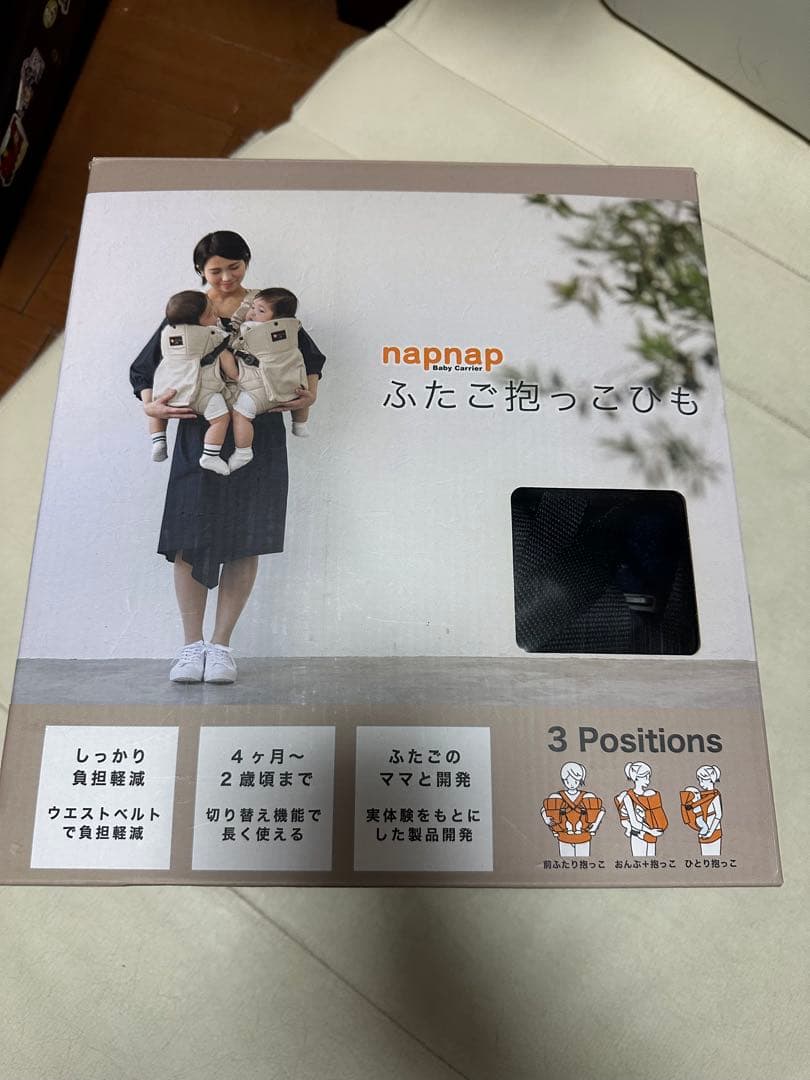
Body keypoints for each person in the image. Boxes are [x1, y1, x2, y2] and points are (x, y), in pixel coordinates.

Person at [130, 230, 325, 684]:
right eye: (215, 270)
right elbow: (144, 367)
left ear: (246, 263)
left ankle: (220, 647)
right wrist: (152, 406)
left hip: (260, 435)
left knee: (246, 537)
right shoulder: (189, 310)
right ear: (201, 270)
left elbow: (311, 358)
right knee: (187, 535)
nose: (225, 277)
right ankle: (190, 646)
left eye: (234, 267)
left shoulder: (268, 306)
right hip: (198, 434)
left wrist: (308, 396)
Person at [149, 290, 238, 475]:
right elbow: (228, 363)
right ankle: (210, 455)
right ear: (198, 321)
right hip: (201, 394)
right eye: (211, 314)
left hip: (170, 391)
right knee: (220, 419)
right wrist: (237, 376)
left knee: (156, 408)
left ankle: (158, 440)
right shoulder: (212, 335)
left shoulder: (166, 334)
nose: (216, 317)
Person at [228, 287, 311, 472]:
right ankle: (300, 424)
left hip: (261, 390)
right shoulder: (293, 328)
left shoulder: (251, 328)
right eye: (252, 307)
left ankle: (243, 452)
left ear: (278, 318)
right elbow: (311, 358)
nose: (252, 313)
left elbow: (234, 345)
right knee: (300, 392)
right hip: (291, 382)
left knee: (241, 414)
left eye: (260, 311)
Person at [541, 761, 604, 857]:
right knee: (566, 862)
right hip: (564, 836)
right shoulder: (557, 797)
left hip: (583, 836)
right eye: (568, 781)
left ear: (579, 780)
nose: (571, 784)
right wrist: (546, 819)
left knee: (583, 861)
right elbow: (544, 809)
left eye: (575, 781)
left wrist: (595, 825)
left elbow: (601, 810)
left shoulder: (587, 797)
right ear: (564, 780)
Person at [615, 761, 668, 857]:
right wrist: (650, 831)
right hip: (638, 836)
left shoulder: (650, 795)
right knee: (639, 861)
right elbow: (634, 822)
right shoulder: (628, 797)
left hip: (651, 836)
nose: (648, 780)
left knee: (651, 861)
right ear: (636, 778)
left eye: (648, 777)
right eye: (645, 777)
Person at [680, 765, 722, 855]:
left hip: (714, 831)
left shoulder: (715, 795)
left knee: (713, 855)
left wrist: (710, 832)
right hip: (703, 831)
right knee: (705, 855)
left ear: (710, 780)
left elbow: (719, 815)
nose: (700, 783)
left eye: (702, 780)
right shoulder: (702, 795)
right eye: (699, 780)